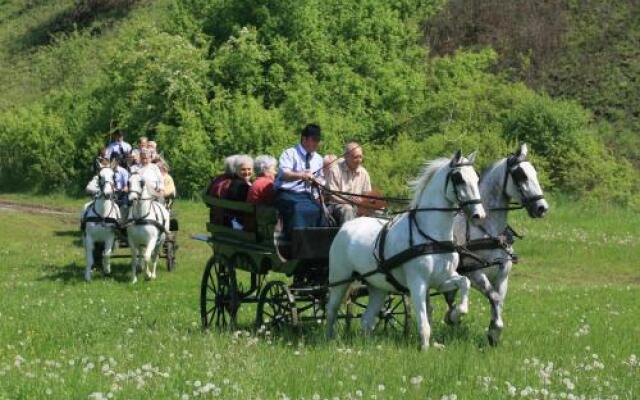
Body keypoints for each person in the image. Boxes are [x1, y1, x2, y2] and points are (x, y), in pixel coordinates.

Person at [274, 123, 327, 241]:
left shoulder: (318, 158)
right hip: (287, 193)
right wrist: (301, 175)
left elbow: (322, 179)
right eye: (314, 140)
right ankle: (295, 243)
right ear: (304, 138)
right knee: (298, 209)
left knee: (321, 211)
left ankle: (317, 244)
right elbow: (284, 174)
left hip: (307, 195)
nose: (317, 144)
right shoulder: (290, 153)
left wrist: (317, 181)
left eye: (318, 140)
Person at [326, 141, 372, 225]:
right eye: (355, 157)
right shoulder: (335, 170)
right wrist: (349, 201)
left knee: (379, 208)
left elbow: (367, 195)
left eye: (360, 157)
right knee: (348, 209)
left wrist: (362, 201)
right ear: (346, 156)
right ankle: (347, 236)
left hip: (357, 206)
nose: (359, 160)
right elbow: (332, 195)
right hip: (337, 205)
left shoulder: (364, 173)